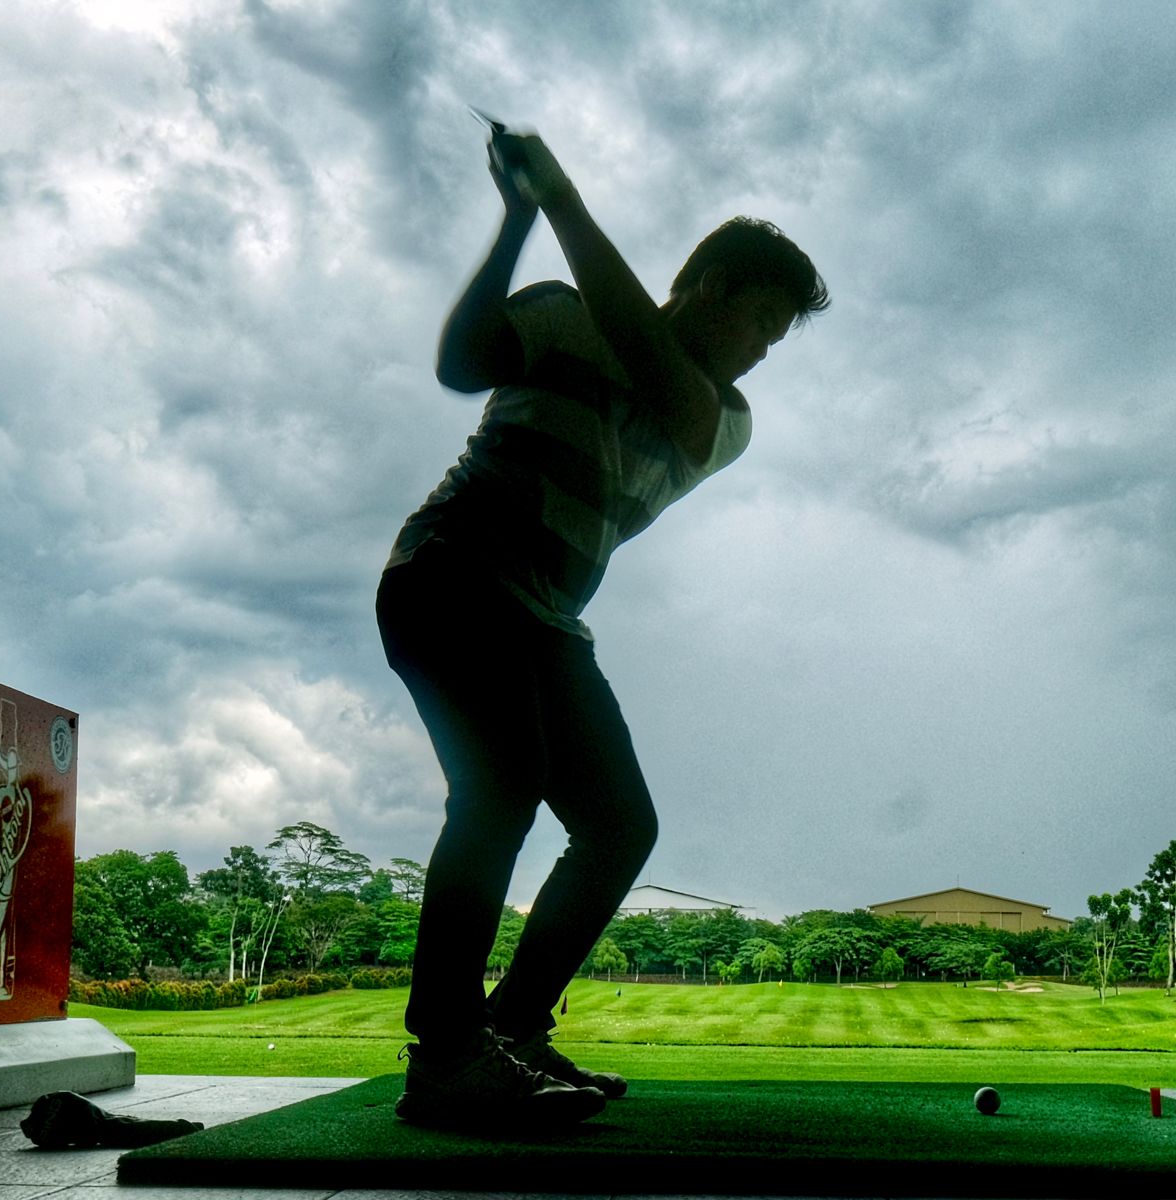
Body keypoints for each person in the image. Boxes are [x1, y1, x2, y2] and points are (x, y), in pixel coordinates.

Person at [377, 126, 828, 1130]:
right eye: (760, 320)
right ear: (706, 287)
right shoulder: (560, 314)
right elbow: (460, 364)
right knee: (499, 791)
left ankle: (511, 1030)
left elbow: (660, 378)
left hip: (544, 618)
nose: (764, 350)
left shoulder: (722, 416)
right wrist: (517, 222)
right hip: (450, 573)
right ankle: (447, 1055)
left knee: (621, 826)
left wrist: (563, 203)